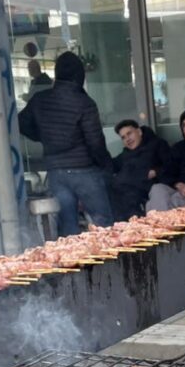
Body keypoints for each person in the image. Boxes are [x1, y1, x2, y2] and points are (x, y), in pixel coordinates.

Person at [18, 51, 115, 236]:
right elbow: (95, 143)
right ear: (80, 76)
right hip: (84, 169)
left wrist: (42, 136)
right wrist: (106, 166)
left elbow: (21, 123)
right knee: (103, 223)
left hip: (56, 171)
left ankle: (74, 264)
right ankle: (111, 264)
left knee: (68, 227)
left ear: (57, 74)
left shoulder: (40, 99)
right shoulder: (84, 103)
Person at [110, 118, 170, 221]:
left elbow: (170, 165)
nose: (127, 139)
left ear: (139, 131)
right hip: (121, 197)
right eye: (123, 137)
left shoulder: (157, 145)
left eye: (129, 134)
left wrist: (156, 171)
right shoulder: (125, 155)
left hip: (144, 195)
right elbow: (109, 165)